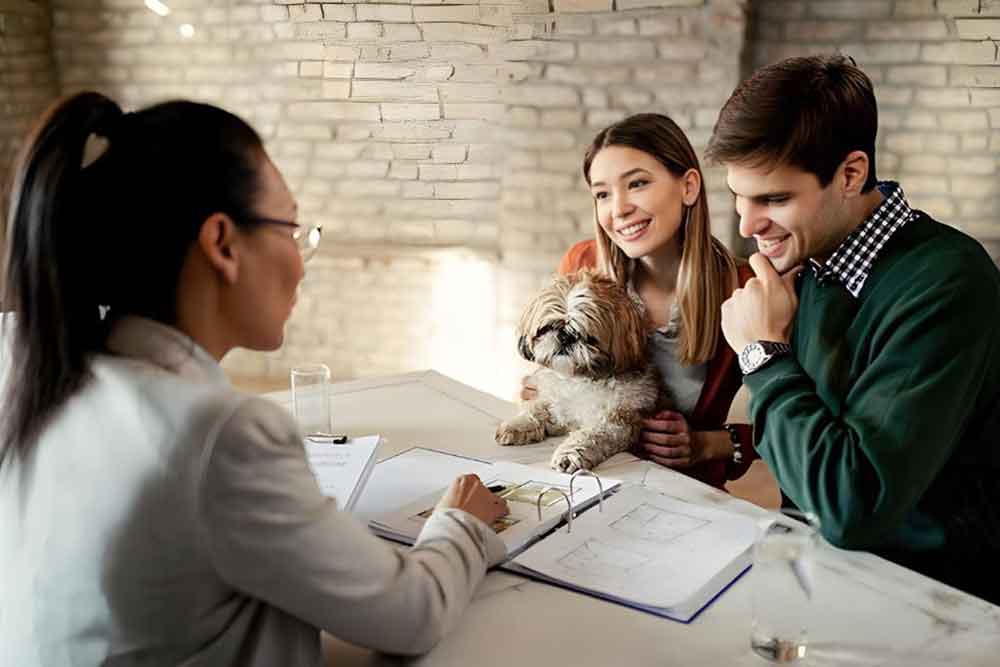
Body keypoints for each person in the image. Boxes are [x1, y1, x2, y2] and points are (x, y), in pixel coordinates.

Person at [0, 92, 510, 665]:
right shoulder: (224, 435)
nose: (299, 259)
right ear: (222, 244)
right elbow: (412, 614)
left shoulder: (33, 365)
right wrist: (461, 523)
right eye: (291, 228)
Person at [709, 55, 1000, 604]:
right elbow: (805, 465)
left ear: (850, 173)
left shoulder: (949, 283)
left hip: (930, 603)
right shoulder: (813, 265)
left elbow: (850, 508)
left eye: (774, 199)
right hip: (819, 576)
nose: (747, 227)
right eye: (739, 198)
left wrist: (762, 356)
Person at [525, 113, 759, 491]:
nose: (618, 210)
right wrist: (546, 386)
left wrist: (707, 444)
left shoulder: (742, 288)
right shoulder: (582, 264)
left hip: (679, 494)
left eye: (637, 184)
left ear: (688, 187)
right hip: (583, 482)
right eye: (602, 194)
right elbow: (546, 368)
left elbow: (792, 421)